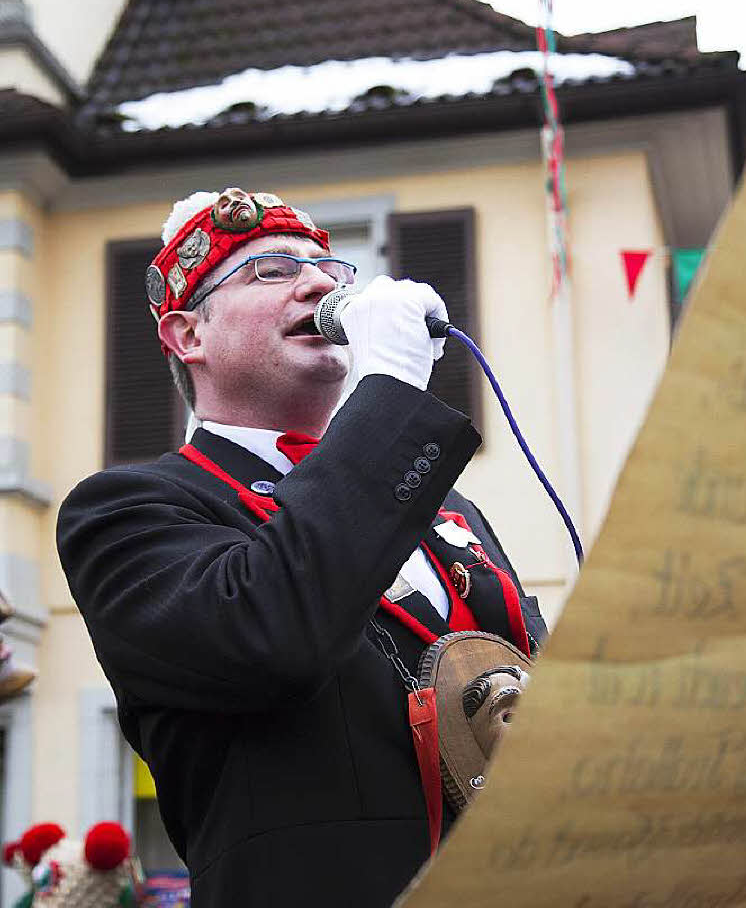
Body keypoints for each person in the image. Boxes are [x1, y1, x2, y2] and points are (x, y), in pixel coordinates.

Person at [57, 187, 548, 908]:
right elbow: (270, 634)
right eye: (271, 271)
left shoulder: (446, 508)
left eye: (330, 269)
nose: (322, 284)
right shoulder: (129, 510)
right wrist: (389, 391)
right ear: (187, 336)